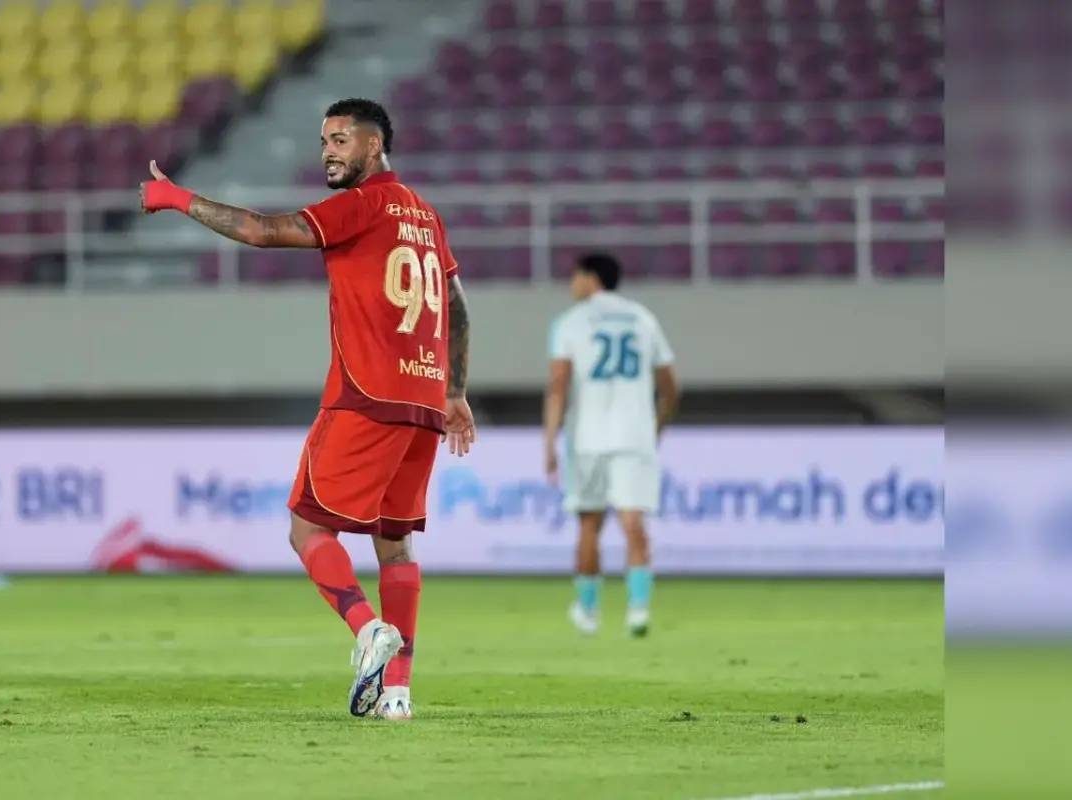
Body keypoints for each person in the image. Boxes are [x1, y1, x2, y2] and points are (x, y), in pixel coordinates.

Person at [140, 98, 477, 720]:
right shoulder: (425, 215)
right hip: (424, 402)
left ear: (373, 146)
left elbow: (262, 231)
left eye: (340, 140)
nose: (327, 151)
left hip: (367, 396)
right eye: (324, 141)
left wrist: (178, 199)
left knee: (307, 529)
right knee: (396, 545)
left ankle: (367, 629)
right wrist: (454, 390)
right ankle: (397, 694)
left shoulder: (362, 205)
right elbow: (455, 302)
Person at [543, 253, 680, 637]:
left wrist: (549, 440)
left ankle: (588, 612)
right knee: (633, 522)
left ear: (591, 279)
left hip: (587, 439)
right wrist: (656, 427)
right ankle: (638, 610)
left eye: (575, 276)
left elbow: (558, 387)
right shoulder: (643, 319)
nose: (572, 284)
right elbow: (671, 388)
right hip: (634, 437)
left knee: (589, 524)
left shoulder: (570, 322)